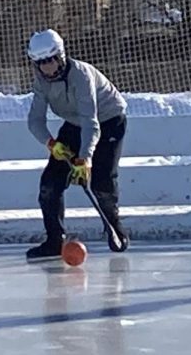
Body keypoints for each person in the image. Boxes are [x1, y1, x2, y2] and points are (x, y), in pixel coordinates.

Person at [25, 29, 129, 260]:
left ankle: (115, 227)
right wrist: (52, 144)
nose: (48, 67)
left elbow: (91, 122)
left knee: (101, 182)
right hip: (73, 124)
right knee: (49, 184)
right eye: (42, 63)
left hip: (109, 120)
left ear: (61, 56)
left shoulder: (81, 75)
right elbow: (34, 120)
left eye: (51, 60)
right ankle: (54, 241)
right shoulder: (41, 83)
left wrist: (85, 159)